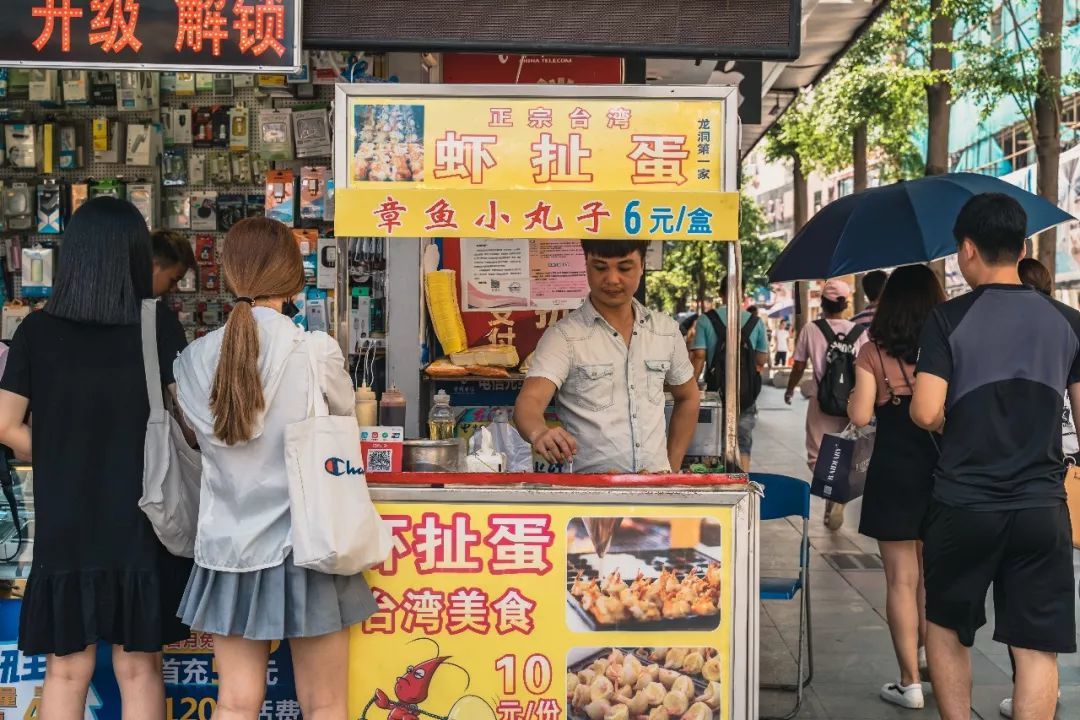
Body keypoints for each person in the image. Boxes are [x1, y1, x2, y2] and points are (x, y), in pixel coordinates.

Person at [174, 218, 377, 719]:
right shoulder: (315, 352)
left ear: (228, 275)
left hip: (227, 550)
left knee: (235, 704)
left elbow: (202, 437)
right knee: (324, 705)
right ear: (295, 276)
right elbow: (346, 418)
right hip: (308, 546)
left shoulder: (192, 361)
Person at [0, 197, 192, 719]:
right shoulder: (157, 327)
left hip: (68, 522)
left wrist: (62, 451)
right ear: (133, 254)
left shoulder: (37, 331)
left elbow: (5, 425)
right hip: (141, 518)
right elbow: (190, 419)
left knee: (67, 670)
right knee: (139, 669)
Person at [911, 193, 1079, 720]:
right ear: (1022, 246)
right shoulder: (1068, 320)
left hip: (964, 503)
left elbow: (924, 410)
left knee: (945, 625)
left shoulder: (947, 319)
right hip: (1041, 507)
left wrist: (949, 421)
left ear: (967, 249)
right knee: (1035, 646)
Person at [848, 265, 945, 710]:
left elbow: (861, 416)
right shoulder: (947, 345)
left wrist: (857, 392)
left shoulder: (872, 350)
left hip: (893, 472)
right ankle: (933, 663)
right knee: (931, 578)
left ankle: (909, 682)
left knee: (900, 580)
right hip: (943, 470)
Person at [515, 240, 700, 473]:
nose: (612, 279)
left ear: (642, 265)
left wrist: (671, 469)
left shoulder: (665, 331)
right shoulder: (564, 337)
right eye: (600, 267)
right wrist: (539, 432)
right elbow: (528, 403)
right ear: (586, 266)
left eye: (624, 268)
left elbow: (689, 397)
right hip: (593, 495)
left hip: (655, 492)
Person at [998, 256, 1068, 718]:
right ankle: (1044, 689)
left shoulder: (1004, 340)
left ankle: (1032, 688)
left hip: (1007, 488)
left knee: (1020, 617)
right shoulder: (1067, 331)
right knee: (1042, 616)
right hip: (1055, 486)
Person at [785, 279, 869, 530]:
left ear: (822, 303)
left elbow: (799, 364)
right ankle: (837, 495)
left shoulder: (811, 329)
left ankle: (832, 493)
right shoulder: (859, 332)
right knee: (846, 451)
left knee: (816, 454)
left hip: (821, 401)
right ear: (845, 304)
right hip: (851, 403)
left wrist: (790, 387)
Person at [689, 275, 768, 470]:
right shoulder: (755, 323)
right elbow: (761, 360)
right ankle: (743, 484)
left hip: (716, 391)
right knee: (743, 442)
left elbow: (699, 356)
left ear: (720, 293)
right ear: (742, 295)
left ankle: (719, 485)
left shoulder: (706, 320)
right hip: (746, 394)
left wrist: (689, 387)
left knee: (713, 441)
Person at [151, 229, 197, 386]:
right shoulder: (161, 319)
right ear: (154, 267)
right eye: (173, 280)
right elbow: (181, 391)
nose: (174, 289)